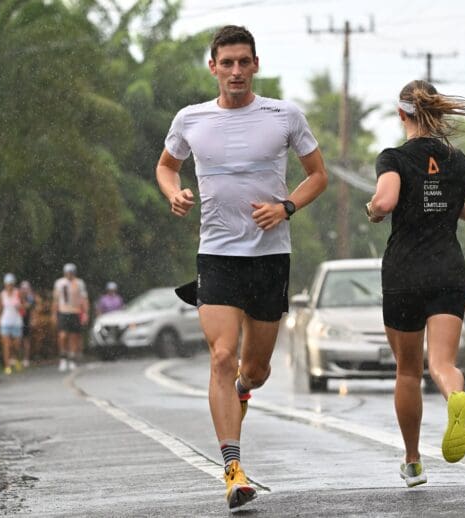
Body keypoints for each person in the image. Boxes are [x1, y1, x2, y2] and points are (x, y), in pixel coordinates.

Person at [155, 25, 327, 511]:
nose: (234, 71)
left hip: (270, 257)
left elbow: (319, 176)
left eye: (242, 62)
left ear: (255, 65)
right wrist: (174, 192)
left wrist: (286, 208)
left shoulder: (284, 115)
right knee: (221, 356)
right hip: (218, 254)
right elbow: (166, 166)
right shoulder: (190, 119)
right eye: (225, 63)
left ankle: (244, 392)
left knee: (254, 369)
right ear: (213, 67)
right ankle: (233, 469)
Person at [366, 80, 465, 487]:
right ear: (437, 114)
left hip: (404, 274)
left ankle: (412, 462)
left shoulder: (394, 158)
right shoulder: (458, 161)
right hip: (447, 273)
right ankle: (454, 395)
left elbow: (386, 202)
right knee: (442, 364)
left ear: (401, 113)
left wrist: (372, 209)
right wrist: (452, 208)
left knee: (408, 371)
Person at [51, 263, 89, 372]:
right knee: (63, 336)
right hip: (63, 312)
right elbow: (56, 299)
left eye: (71, 272)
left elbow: (84, 299)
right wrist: (54, 314)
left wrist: (85, 313)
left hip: (75, 312)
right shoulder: (59, 283)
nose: (69, 274)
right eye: (68, 272)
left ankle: (72, 359)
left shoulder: (79, 283)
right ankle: (63, 358)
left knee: (74, 337)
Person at [0, 273, 24, 375]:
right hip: (5, 322)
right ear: (5, 284)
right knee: (6, 345)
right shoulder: (1, 295)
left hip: (16, 322)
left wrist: (20, 307)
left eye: (11, 284)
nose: (9, 286)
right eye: (7, 284)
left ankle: (15, 359)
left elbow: (24, 307)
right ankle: (7, 366)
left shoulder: (18, 293)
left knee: (16, 345)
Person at [19, 280, 36, 368]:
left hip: (26, 320)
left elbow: (30, 307)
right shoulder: (17, 296)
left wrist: (33, 320)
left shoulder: (30, 297)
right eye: (23, 289)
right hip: (17, 320)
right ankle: (19, 358)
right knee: (18, 340)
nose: (24, 290)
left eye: (26, 289)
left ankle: (26, 359)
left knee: (26, 340)